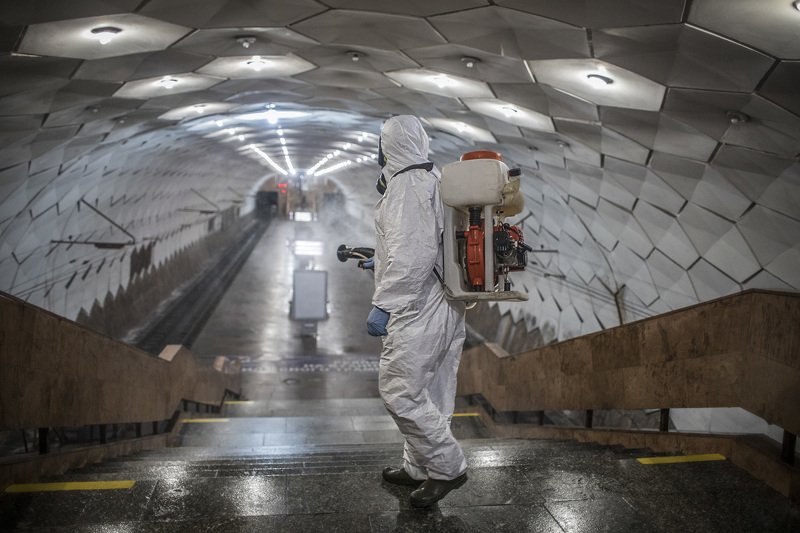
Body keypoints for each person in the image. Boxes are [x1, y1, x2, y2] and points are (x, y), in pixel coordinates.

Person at [366, 115, 468, 508]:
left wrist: (383, 304)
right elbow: (421, 244)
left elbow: (413, 257)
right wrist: (378, 261)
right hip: (444, 302)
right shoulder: (430, 177)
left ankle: (447, 467)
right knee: (432, 392)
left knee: (400, 392)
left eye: (380, 143)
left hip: (419, 307)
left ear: (389, 145)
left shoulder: (407, 185)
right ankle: (419, 467)